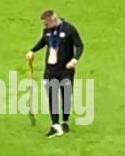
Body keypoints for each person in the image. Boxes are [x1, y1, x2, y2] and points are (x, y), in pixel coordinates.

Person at [26, 10, 84, 138]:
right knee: (52, 97)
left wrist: (74, 60)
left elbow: (79, 45)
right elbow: (43, 41)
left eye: (46, 24)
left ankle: (65, 122)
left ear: (53, 20)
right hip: (50, 70)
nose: (45, 27)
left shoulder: (69, 29)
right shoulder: (47, 31)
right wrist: (32, 50)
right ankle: (55, 124)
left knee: (66, 96)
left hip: (65, 70)